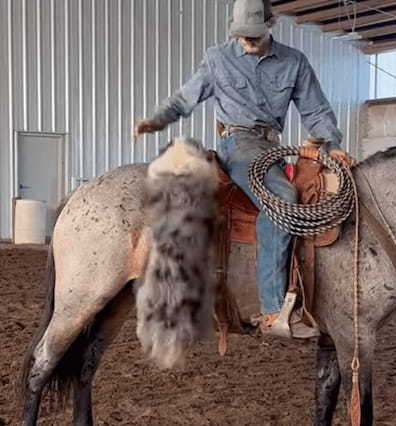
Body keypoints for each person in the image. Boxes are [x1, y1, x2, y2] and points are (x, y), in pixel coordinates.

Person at [134, 0, 351, 339]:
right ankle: (271, 308)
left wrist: (333, 145)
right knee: (281, 195)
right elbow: (184, 99)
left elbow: (316, 111)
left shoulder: (294, 63)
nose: (247, 41)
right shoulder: (217, 59)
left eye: (254, 34)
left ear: (270, 23)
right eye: (242, 35)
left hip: (272, 148)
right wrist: (156, 120)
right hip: (237, 144)